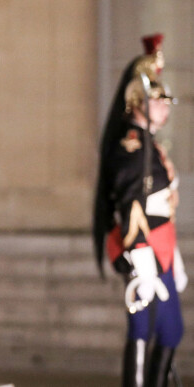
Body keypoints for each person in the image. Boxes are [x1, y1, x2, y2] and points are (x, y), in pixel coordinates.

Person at [93, 34, 187, 387]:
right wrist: (141, 253)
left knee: (169, 330)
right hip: (142, 248)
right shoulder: (131, 147)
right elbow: (130, 203)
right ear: (138, 102)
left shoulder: (149, 144)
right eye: (159, 100)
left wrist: (170, 252)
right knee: (144, 327)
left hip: (160, 245)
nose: (165, 106)